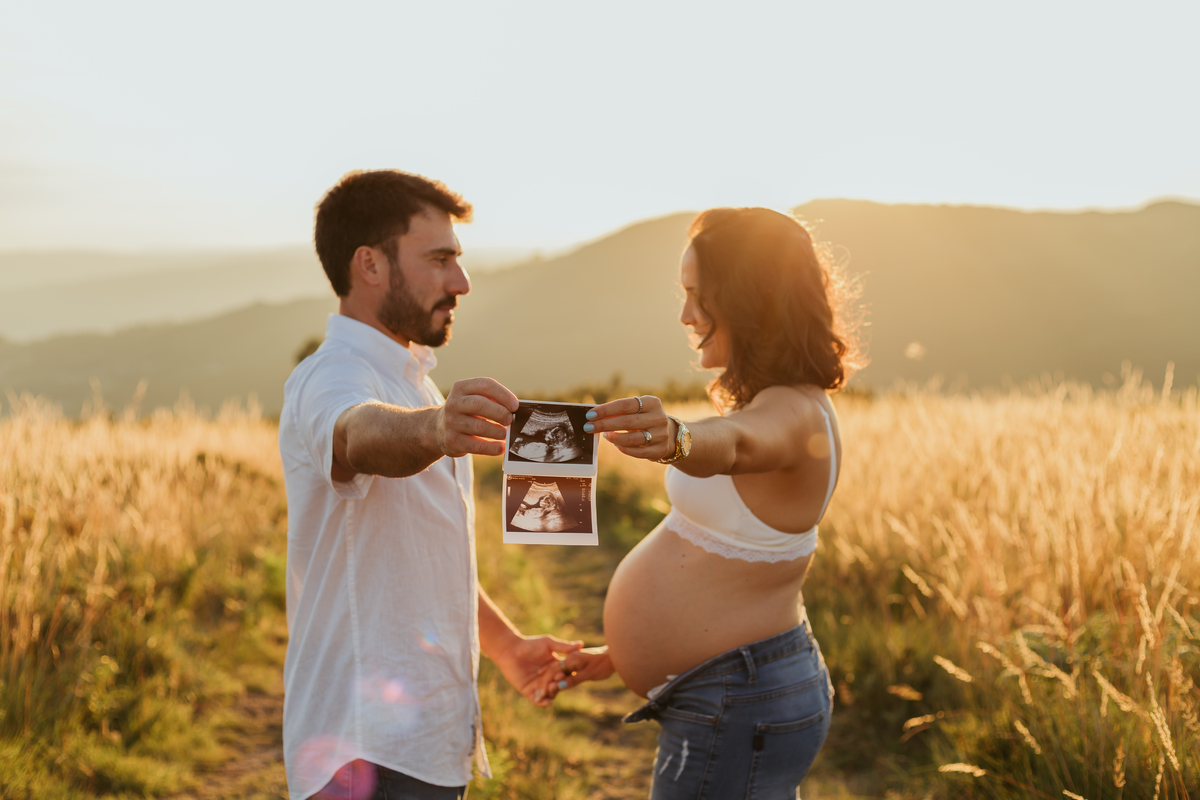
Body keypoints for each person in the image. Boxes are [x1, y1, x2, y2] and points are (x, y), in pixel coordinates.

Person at [278, 170, 580, 800]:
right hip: (368, 755)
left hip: (424, 746)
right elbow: (355, 435)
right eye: (440, 260)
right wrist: (436, 428)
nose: (461, 282)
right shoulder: (329, 376)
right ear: (370, 264)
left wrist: (507, 648)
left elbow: (421, 555)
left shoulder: (414, 378)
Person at [558, 207, 858, 798]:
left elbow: (739, 444)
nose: (685, 314)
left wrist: (678, 439)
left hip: (741, 700)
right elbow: (726, 571)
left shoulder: (793, 412)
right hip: (736, 690)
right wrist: (624, 652)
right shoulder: (775, 399)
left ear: (749, 301)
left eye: (699, 296)